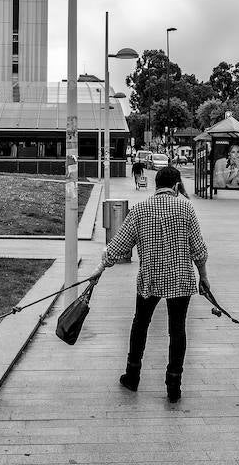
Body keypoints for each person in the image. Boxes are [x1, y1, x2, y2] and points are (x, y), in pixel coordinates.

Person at [94, 166, 209, 403]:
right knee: (177, 330)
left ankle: (132, 375)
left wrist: (99, 270)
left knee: (140, 324)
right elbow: (198, 249)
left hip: (150, 280)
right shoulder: (186, 207)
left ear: (156, 185)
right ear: (176, 186)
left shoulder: (139, 210)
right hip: (180, 279)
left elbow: (117, 247)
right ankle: (173, 386)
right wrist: (204, 277)